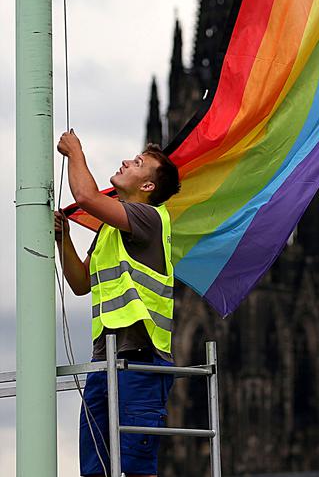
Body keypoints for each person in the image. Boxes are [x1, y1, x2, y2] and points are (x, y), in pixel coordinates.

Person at [56, 129, 180, 477]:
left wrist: (75, 151)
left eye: (138, 162)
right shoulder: (110, 230)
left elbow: (86, 196)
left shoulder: (149, 218)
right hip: (104, 362)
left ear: (148, 187)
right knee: (94, 465)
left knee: (135, 468)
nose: (127, 161)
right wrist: (64, 239)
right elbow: (81, 284)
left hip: (141, 362)